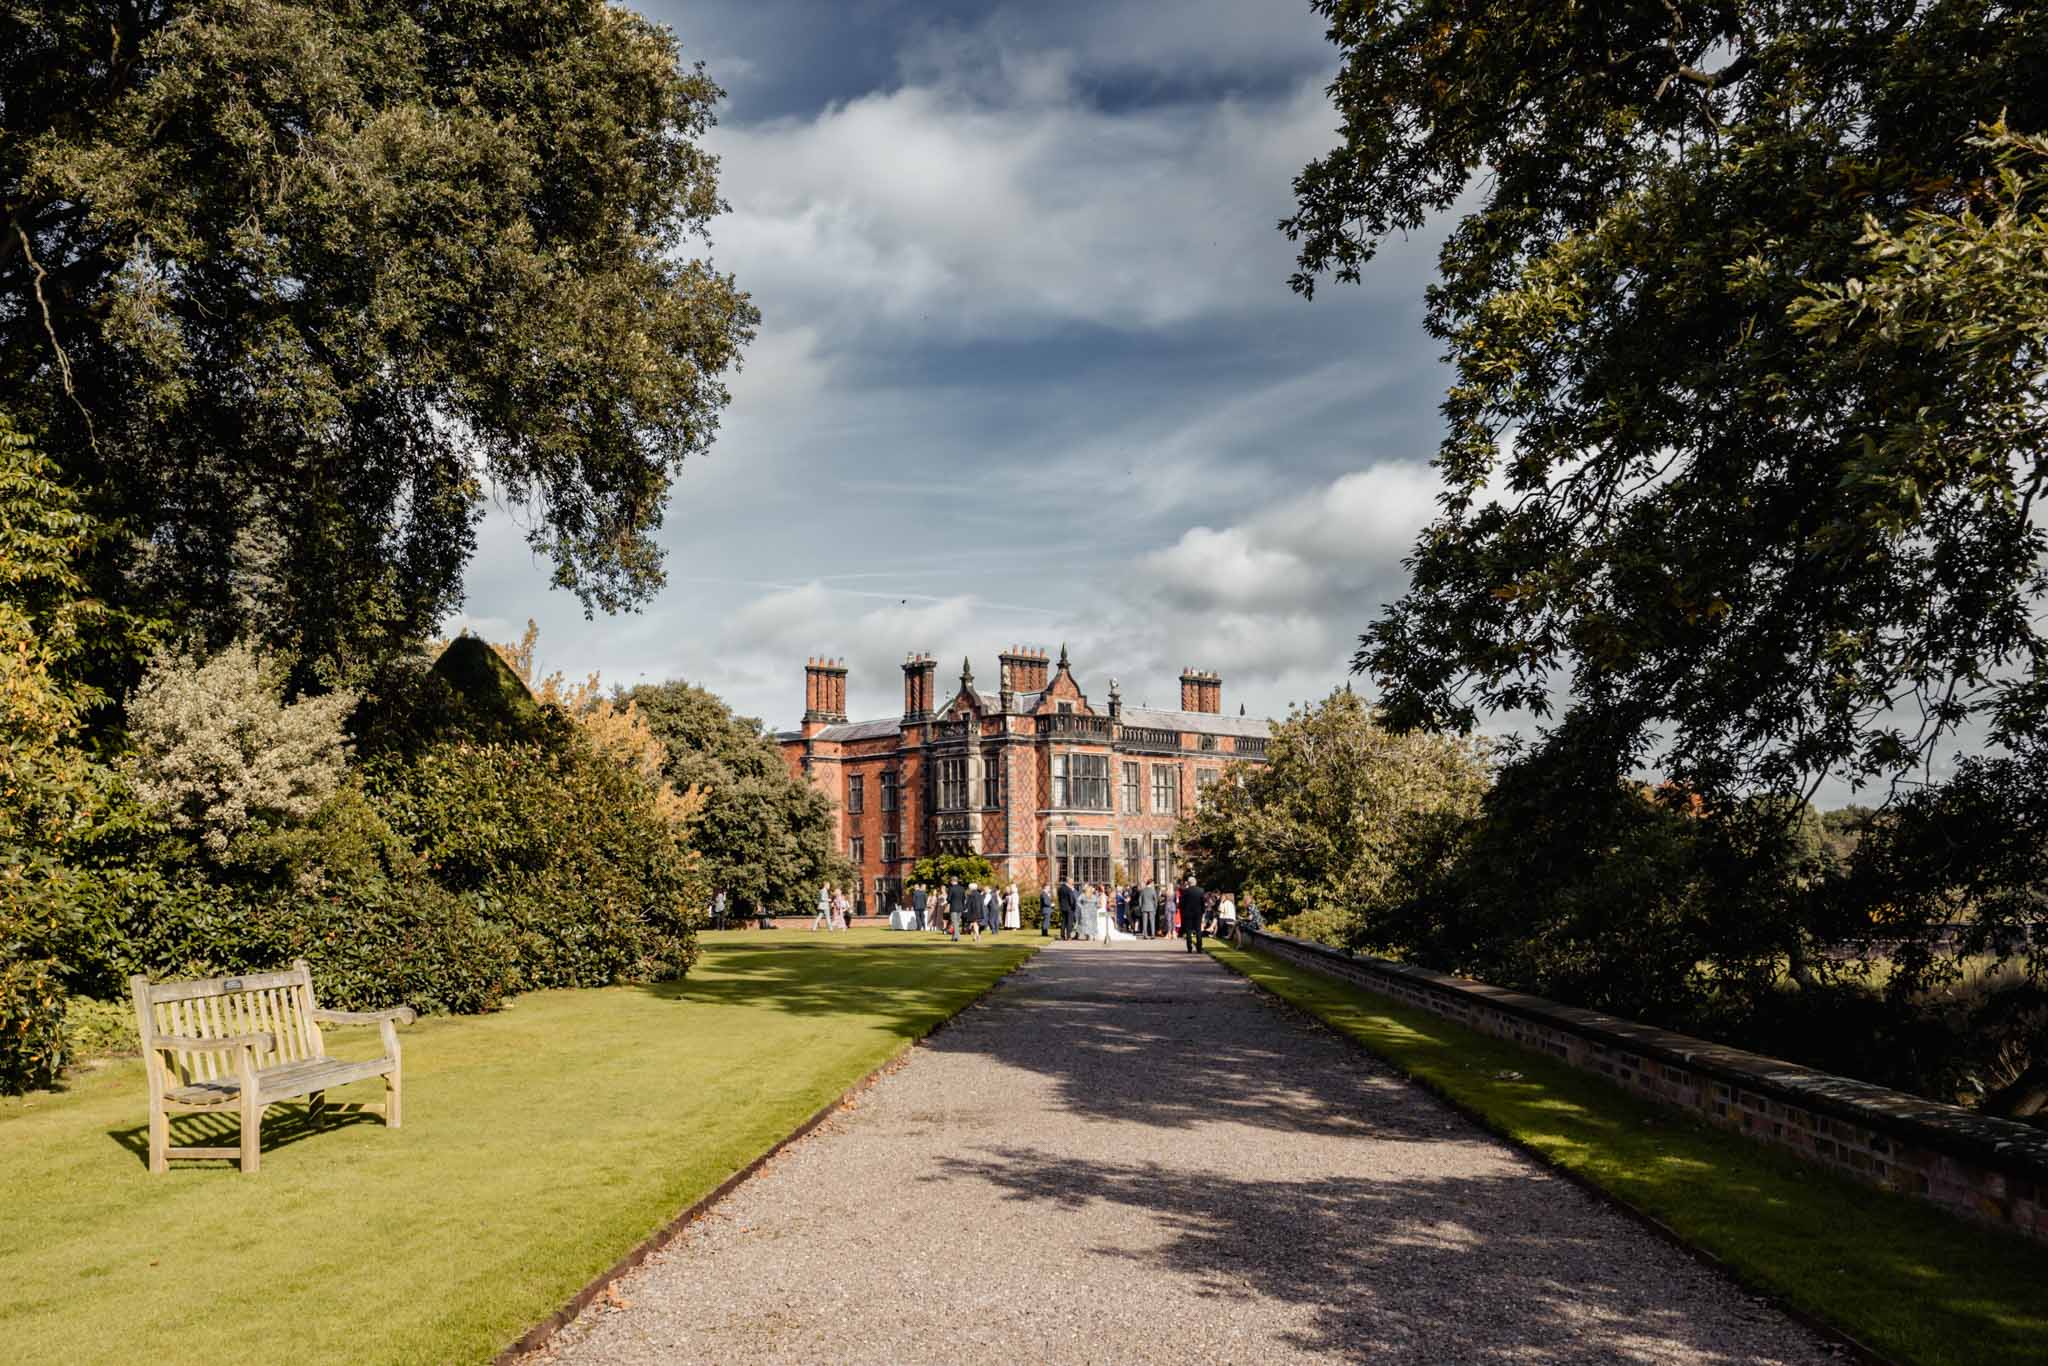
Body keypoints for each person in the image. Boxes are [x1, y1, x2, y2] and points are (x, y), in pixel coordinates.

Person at [1180, 875, 1206, 953]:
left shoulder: (1185, 891)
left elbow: (1182, 903)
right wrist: (1202, 911)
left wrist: (1183, 911)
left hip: (1188, 913)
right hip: (1198, 913)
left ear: (1188, 883)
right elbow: (1202, 903)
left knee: (1188, 931)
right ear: (1195, 882)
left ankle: (1189, 948)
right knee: (1198, 930)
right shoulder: (1201, 890)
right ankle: (1199, 948)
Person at [1057, 876, 1077, 940]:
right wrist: (1073, 907)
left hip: (1062, 907)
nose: (1073, 882)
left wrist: (1060, 905)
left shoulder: (1060, 888)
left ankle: (1062, 935)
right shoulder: (1069, 889)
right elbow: (1071, 899)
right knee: (1069, 922)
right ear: (1069, 881)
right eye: (1072, 881)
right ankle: (1068, 936)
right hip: (1069, 908)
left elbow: (1059, 898)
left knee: (1063, 922)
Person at [947, 876, 966, 942]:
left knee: (954, 922)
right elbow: (964, 898)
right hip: (960, 907)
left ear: (952, 881)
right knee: (957, 922)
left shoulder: (951, 888)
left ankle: (957, 937)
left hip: (954, 907)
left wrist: (947, 901)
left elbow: (949, 899)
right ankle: (954, 937)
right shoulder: (962, 888)